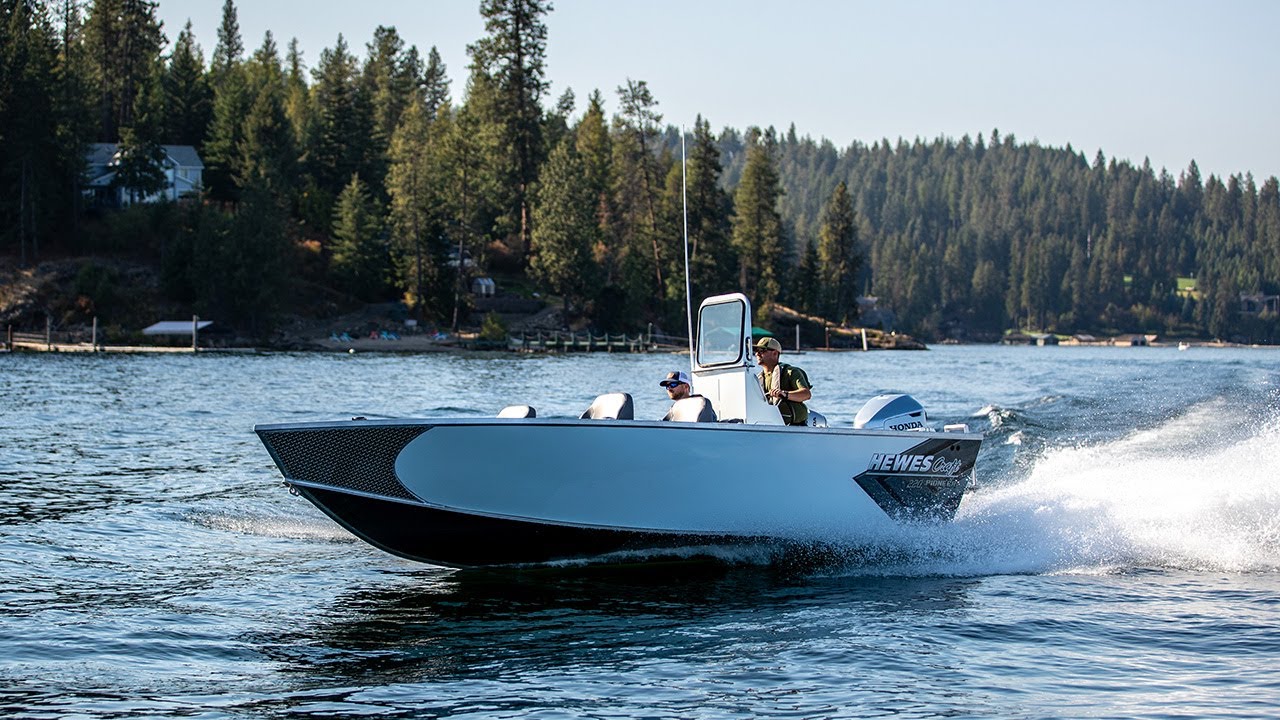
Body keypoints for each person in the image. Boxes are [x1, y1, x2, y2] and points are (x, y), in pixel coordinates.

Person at [753, 337, 812, 426]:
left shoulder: (791, 372)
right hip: (770, 425)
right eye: (756, 350)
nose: (757, 354)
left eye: (762, 351)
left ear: (775, 353)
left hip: (795, 427)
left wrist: (784, 394)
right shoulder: (758, 379)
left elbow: (806, 394)